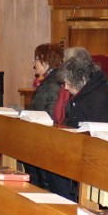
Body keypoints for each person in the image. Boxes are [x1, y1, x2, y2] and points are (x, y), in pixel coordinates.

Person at [45, 54, 108, 201]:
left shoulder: (101, 97)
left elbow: (100, 135)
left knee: (55, 166)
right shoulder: (84, 94)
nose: (66, 88)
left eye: (68, 83)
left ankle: (69, 204)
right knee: (49, 158)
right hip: (83, 148)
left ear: (81, 80)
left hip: (103, 155)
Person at [25, 42, 64, 189]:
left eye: (36, 59)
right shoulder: (49, 80)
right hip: (40, 135)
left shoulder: (53, 83)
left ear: (46, 60)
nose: (33, 62)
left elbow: (51, 113)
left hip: (45, 138)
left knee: (43, 183)